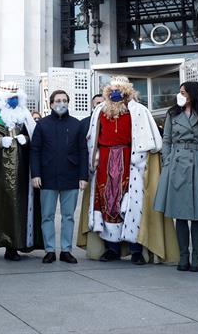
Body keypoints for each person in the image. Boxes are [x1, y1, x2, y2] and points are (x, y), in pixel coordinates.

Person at [82, 76, 176, 265]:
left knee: (133, 205)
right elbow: (92, 139)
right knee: (108, 203)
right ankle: (112, 248)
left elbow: (151, 142)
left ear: (127, 92)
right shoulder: (100, 111)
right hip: (105, 162)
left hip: (131, 162)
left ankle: (136, 250)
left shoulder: (138, 111)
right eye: (113, 90)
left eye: (120, 90)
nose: (116, 94)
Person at [154, 81, 198, 272]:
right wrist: (167, 160)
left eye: (183, 92)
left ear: (192, 94)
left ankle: (196, 258)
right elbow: (166, 140)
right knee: (180, 214)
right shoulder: (173, 114)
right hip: (177, 163)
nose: (179, 95)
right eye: (179, 92)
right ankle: (183, 257)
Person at [0, 82, 41, 261]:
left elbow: (36, 137)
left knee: (16, 206)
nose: (13, 101)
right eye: (10, 98)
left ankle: (13, 246)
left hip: (20, 170)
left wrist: (25, 139)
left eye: (15, 98)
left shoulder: (24, 115)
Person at [30, 90, 88, 264]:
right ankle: (49, 250)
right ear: (51, 104)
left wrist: (83, 176)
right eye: (58, 100)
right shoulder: (42, 125)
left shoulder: (76, 124)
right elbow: (35, 150)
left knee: (68, 216)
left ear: (68, 103)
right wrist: (36, 174)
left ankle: (66, 250)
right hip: (47, 177)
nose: (61, 103)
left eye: (64, 100)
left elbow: (83, 151)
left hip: (71, 176)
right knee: (47, 215)